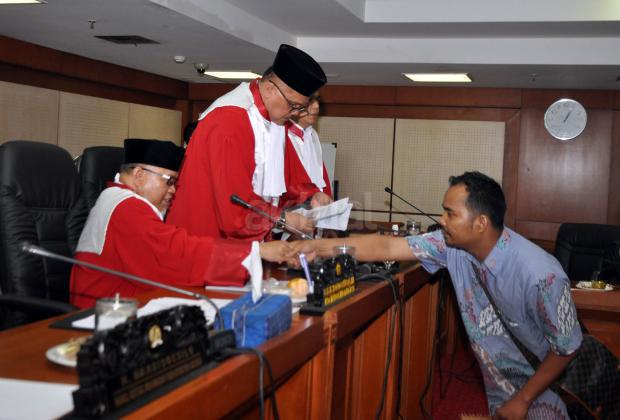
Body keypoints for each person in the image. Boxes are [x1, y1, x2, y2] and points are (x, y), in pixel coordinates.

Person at [293, 171, 582, 419]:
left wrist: (524, 399)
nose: (441, 220)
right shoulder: (452, 247)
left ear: (480, 223)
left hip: (544, 390)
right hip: (499, 390)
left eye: (450, 213)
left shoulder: (541, 275)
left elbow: (567, 348)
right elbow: (388, 247)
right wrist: (314, 247)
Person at [70, 139, 294, 309]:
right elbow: (176, 253)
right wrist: (256, 251)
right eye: (169, 181)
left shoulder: (122, 199)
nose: (173, 190)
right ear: (138, 175)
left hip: (128, 302)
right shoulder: (125, 206)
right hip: (102, 315)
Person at [166, 44, 327, 241]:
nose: (295, 114)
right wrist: (283, 219)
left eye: (300, 108)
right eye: (294, 106)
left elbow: (291, 174)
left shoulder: (276, 120)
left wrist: (311, 195)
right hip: (206, 237)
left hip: (248, 238)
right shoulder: (230, 120)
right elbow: (234, 204)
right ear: (270, 89)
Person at [283, 96, 333, 208]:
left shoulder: (312, 134)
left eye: (318, 101)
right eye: (310, 101)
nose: (316, 106)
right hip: (291, 204)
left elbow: (320, 172)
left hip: (314, 203)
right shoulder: (281, 134)